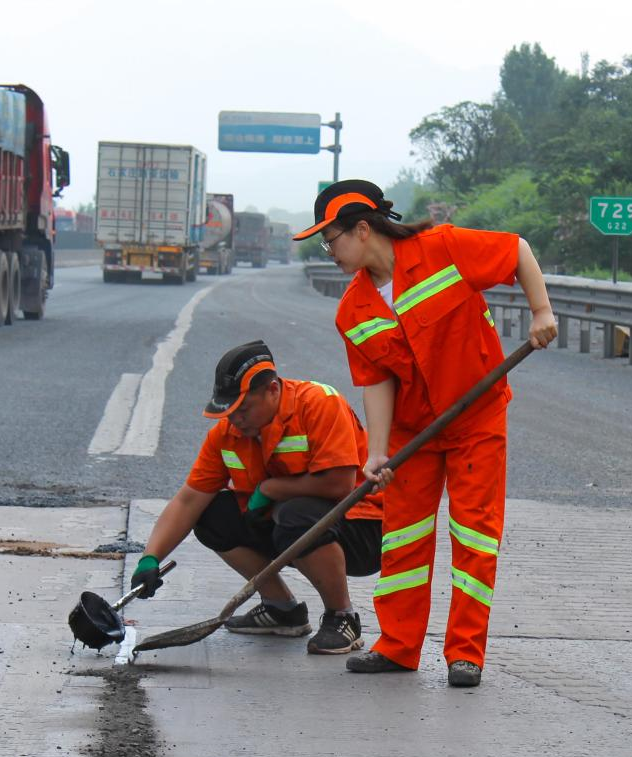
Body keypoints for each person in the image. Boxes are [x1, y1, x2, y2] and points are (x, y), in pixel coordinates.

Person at [292, 179, 557, 687]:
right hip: (415, 433)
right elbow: (376, 383)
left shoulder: (443, 248)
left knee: (474, 535)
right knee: (404, 539)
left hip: (475, 419)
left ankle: (465, 653)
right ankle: (398, 646)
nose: (330, 252)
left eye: (332, 240)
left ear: (362, 229)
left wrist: (541, 311)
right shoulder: (354, 310)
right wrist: (377, 453)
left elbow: (516, 250)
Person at [131, 339, 383, 655]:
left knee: (293, 514)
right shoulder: (227, 434)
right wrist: (150, 557)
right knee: (212, 516)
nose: (235, 419)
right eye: (230, 412)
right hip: (288, 525)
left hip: (361, 529)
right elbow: (189, 500)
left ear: (273, 390)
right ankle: (282, 609)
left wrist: (270, 489)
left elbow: (340, 485)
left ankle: (342, 616)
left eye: (244, 409)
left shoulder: (318, 404)